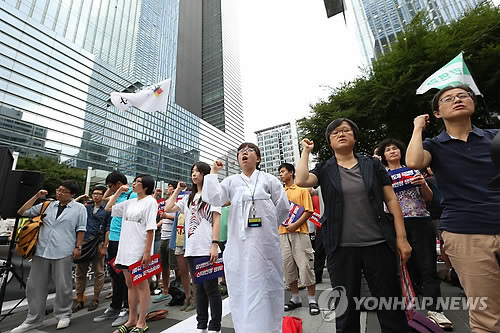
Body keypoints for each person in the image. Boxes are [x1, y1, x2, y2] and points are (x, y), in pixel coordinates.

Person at [296, 118, 411, 332]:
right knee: (346, 308)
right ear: (330, 142)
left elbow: (392, 200)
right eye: (335, 132)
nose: (341, 134)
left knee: (390, 304)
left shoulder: (372, 164)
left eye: (346, 130)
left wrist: (401, 238)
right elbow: (302, 180)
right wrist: (306, 151)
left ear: (354, 137)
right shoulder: (325, 168)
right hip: (341, 248)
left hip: (378, 244)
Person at [406, 84, 500, 332]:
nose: (457, 99)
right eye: (448, 98)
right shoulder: (434, 145)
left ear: (474, 104)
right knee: (486, 314)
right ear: (437, 113)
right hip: (465, 233)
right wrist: (417, 127)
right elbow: (413, 162)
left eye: (463, 96)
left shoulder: (495, 137)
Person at [203, 143, 290, 333]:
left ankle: (270, 328)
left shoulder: (269, 180)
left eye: (249, 151)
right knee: (243, 286)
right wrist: (213, 172)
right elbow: (214, 199)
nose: (244, 154)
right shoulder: (231, 181)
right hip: (239, 245)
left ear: (258, 158)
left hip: (265, 244)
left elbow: (283, 207)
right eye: (241, 152)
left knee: (268, 284)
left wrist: (270, 227)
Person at [377, 138, 452, 329]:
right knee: (402, 269)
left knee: (427, 266)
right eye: (388, 150)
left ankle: (436, 310)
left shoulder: (413, 170)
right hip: (394, 224)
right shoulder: (380, 176)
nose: (392, 152)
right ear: (383, 155)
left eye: (395, 148)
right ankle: (408, 310)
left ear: (401, 151)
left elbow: (428, 198)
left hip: (420, 220)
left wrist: (423, 184)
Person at [12, 181, 87, 333]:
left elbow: (81, 229)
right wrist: (36, 196)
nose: (59, 193)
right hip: (41, 249)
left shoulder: (80, 208)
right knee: (35, 286)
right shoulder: (47, 205)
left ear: (72, 194)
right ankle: (33, 318)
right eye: (58, 190)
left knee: (63, 285)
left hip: (64, 250)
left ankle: (63, 314)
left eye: (63, 191)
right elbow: (22, 212)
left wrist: (78, 247)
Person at [165, 162, 222, 333]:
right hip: (191, 249)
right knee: (199, 289)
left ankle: (215, 326)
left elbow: (216, 220)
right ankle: (201, 325)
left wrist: (214, 244)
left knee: (211, 289)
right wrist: (177, 190)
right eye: (192, 172)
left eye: (198, 171)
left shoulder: (212, 194)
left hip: (207, 247)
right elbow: (168, 207)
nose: (194, 174)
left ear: (205, 174)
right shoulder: (188, 197)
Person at [105, 174, 158, 333]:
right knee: (130, 285)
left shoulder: (150, 201)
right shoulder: (130, 202)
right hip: (125, 248)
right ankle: (131, 319)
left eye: (138, 182)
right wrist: (118, 191)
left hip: (139, 249)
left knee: (141, 285)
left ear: (146, 186)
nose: (134, 184)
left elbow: (150, 229)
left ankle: (142, 321)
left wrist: (147, 252)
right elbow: (108, 207)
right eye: (134, 181)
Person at [94, 171, 137, 326]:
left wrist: (119, 189)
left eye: (110, 186)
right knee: (114, 274)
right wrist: (116, 190)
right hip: (113, 239)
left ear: (118, 183)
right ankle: (115, 306)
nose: (109, 189)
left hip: (124, 240)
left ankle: (127, 308)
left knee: (125, 276)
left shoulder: (132, 195)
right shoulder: (118, 194)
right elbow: (106, 200)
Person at [278, 162, 319, 316]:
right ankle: (295, 298)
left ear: (291, 172)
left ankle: (312, 300)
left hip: (300, 232)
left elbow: (309, 211)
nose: (281, 174)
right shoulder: (280, 193)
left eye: (283, 171)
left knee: (306, 266)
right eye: (280, 172)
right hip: (283, 234)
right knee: (288, 268)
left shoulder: (302, 189)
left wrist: (295, 225)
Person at [73, 185, 112, 312]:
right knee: (80, 273)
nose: (96, 196)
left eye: (99, 194)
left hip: (98, 242)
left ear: (103, 195)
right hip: (84, 242)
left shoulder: (107, 210)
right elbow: (71, 206)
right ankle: (79, 299)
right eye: (94, 193)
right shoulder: (86, 208)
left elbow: (108, 229)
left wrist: (105, 246)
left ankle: (95, 298)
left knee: (99, 272)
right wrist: (80, 197)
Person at [153, 182, 178, 303]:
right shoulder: (163, 202)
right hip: (163, 236)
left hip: (173, 237)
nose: (167, 189)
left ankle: (180, 290)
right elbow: (151, 206)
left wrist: (167, 216)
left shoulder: (178, 201)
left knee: (176, 266)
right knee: (164, 265)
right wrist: (155, 195)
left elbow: (181, 217)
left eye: (169, 187)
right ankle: (165, 291)